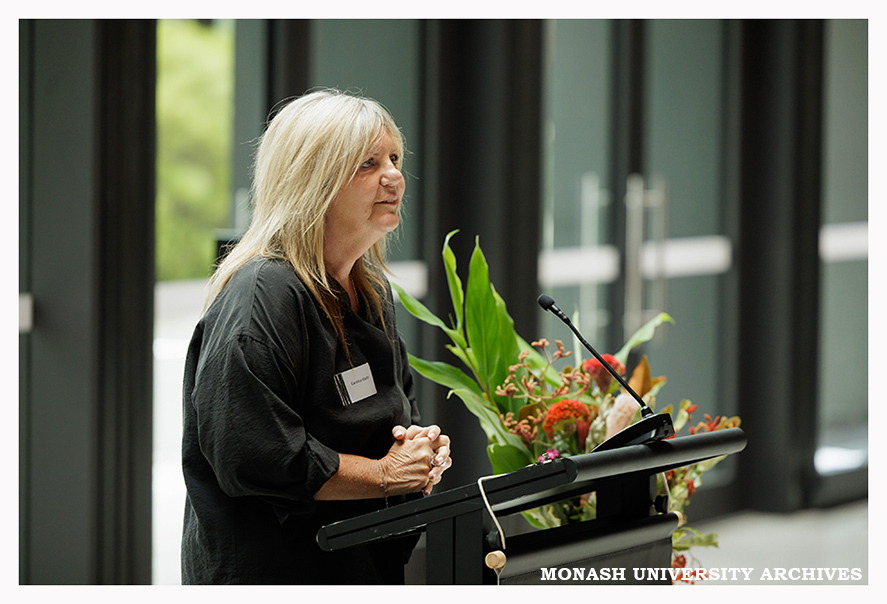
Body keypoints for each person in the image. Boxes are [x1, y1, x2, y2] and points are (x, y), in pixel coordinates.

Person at [181, 89, 453, 584]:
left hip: (361, 563)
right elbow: (257, 455)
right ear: (313, 181)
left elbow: (395, 407)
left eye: (394, 158)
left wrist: (420, 449)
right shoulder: (265, 292)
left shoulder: (369, 289)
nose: (394, 175)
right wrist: (386, 475)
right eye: (368, 163)